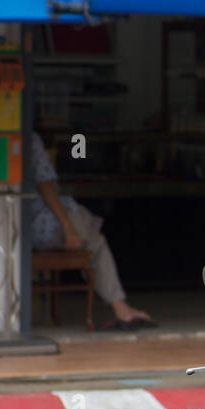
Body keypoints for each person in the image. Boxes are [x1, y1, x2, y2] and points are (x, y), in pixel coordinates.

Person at [29, 132, 155, 329]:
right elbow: (45, 183)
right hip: (44, 224)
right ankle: (121, 309)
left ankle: (120, 306)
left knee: (91, 233)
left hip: (25, 226)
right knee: (94, 239)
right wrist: (68, 228)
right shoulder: (30, 138)